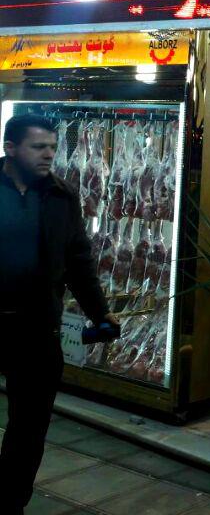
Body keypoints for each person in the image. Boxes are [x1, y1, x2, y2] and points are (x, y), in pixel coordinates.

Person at [0, 114, 119, 513]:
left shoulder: (61, 196)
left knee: (29, 430)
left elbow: (78, 262)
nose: (48, 154)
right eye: (38, 147)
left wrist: (100, 313)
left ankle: (10, 503)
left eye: (52, 147)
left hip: (37, 329)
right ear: (10, 148)